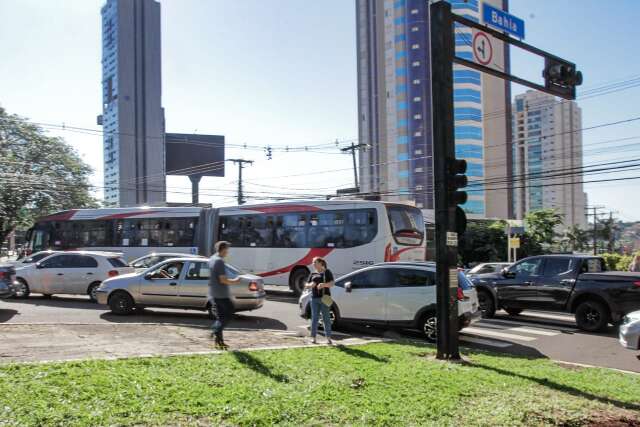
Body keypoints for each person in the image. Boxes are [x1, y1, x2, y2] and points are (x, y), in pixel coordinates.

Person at [208, 241, 241, 349]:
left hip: (213, 293)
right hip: (221, 294)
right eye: (227, 249)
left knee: (220, 317)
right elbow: (223, 280)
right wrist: (235, 281)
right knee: (229, 314)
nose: (228, 252)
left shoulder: (212, 258)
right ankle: (214, 330)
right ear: (223, 249)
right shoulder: (219, 261)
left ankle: (219, 342)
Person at [305, 257, 335, 344]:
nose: (313, 264)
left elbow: (332, 283)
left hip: (324, 298)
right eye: (313, 262)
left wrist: (324, 285)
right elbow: (307, 284)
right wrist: (311, 285)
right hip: (314, 298)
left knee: (326, 318)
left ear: (320, 263)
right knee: (314, 318)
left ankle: (328, 338)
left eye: (314, 262)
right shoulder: (312, 273)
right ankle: (313, 338)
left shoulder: (327, 272)